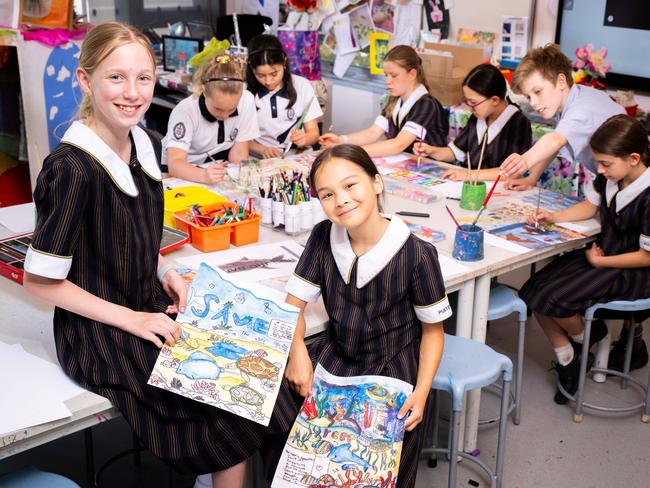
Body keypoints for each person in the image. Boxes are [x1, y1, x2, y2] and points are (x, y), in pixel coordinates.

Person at [22, 22, 270, 488]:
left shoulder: (144, 143)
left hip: (145, 305)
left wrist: (167, 272)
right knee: (226, 412)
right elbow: (40, 281)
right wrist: (134, 320)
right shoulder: (71, 169)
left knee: (248, 384)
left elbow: (133, 234)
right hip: (97, 331)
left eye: (144, 78)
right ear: (85, 80)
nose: (132, 93)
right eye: (116, 77)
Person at [281, 144, 451, 487]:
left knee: (373, 461)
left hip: (392, 368)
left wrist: (421, 393)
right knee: (279, 407)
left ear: (376, 183)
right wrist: (297, 351)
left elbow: (433, 333)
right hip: (339, 356)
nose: (340, 200)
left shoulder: (418, 255)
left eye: (350, 185)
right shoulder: (322, 236)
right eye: (327, 194)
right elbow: (292, 305)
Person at [519, 114, 650, 405]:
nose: (599, 170)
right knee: (532, 290)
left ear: (633, 158)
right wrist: (553, 217)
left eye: (605, 164)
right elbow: (588, 207)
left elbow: (645, 256)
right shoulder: (610, 178)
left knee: (553, 298)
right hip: (603, 254)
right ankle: (570, 358)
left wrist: (600, 263)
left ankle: (588, 337)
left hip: (634, 272)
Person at [500, 43, 625, 191]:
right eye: (528, 96)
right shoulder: (573, 97)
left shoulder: (582, 109)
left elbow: (555, 140)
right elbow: (557, 142)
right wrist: (532, 178)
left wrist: (525, 160)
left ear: (561, 81)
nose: (533, 102)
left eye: (538, 91)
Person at [319, 46, 449, 158]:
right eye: (386, 75)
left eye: (394, 75)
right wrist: (341, 140)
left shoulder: (426, 104)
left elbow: (399, 144)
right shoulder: (394, 100)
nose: (388, 81)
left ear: (412, 74)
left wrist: (352, 152)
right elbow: (373, 132)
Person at [414, 63, 532, 181]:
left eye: (474, 103)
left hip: (496, 190)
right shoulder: (477, 117)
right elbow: (455, 152)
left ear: (495, 100)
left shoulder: (518, 123)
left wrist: (468, 175)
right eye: (467, 102)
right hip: (469, 183)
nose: (470, 108)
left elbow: (512, 172)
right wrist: (431, 150)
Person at [162, 52, 259, 184]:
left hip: (214, 169)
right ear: (204, 90)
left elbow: (239, 155)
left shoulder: (247, 100)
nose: (224, 116)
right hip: (182, 170)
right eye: (218, 109)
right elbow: (175, 165)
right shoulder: (185, 110)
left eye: (231, 109)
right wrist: (204, 176)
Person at [246, 34, 323, 159]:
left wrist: (305, 139)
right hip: (258, 157)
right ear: (251, 69)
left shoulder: (302, 85)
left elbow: (314, 133)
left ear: (284, 61)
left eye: (274, 74)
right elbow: (239, 139)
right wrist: (263, 150)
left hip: (295, 155)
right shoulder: (245, 92)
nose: (268, 81)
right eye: (260, 75)